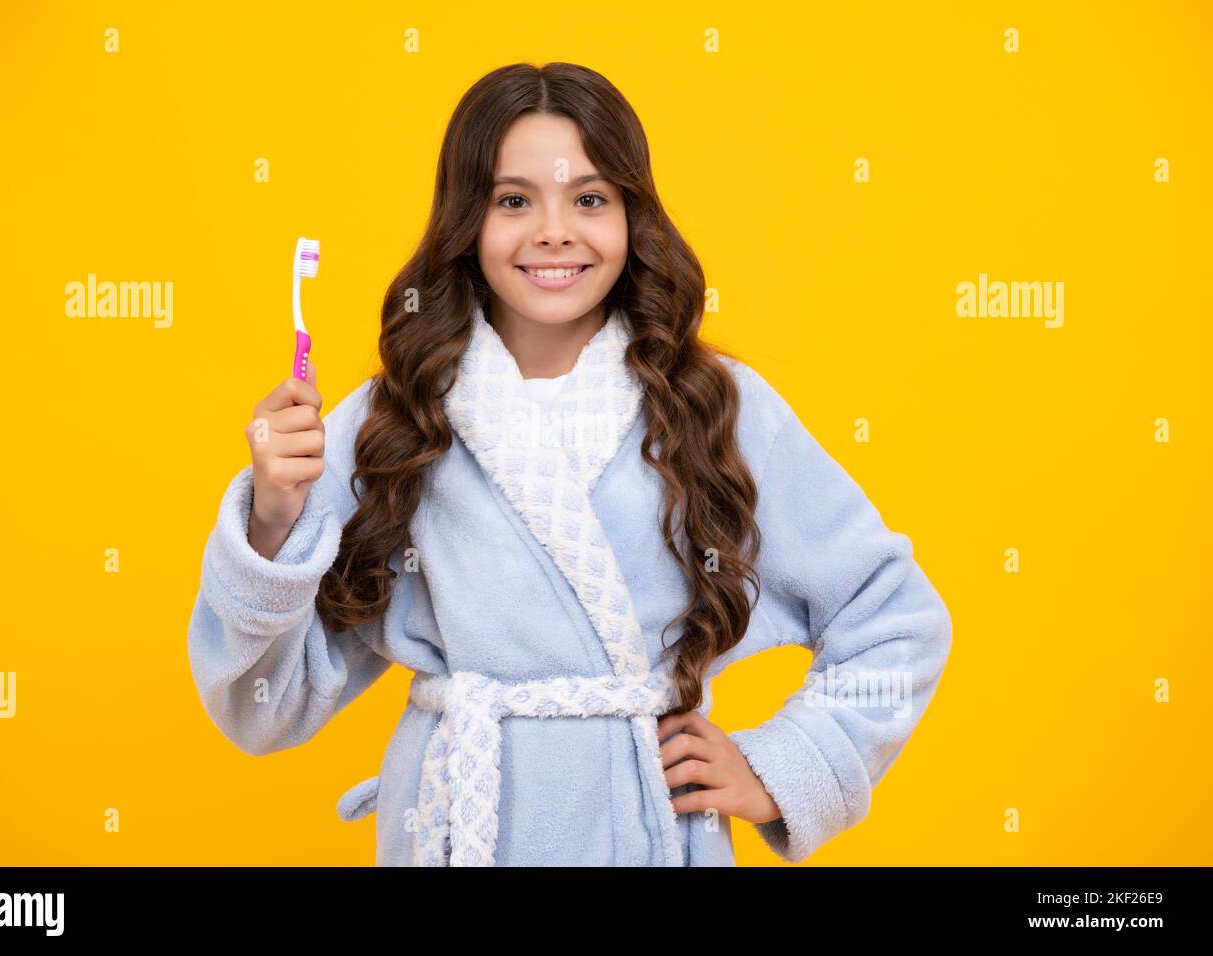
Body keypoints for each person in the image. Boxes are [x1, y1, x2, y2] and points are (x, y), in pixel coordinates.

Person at [186, 61, 952, 866]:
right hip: (457, 827)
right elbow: (258, 710)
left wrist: (784, 768)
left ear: (633, 217)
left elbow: (894, 618)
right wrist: (271, 525)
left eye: (589, 199)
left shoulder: (715, 407)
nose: (554, 231)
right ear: (465, 223)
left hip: (647, 832)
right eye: (513, 201)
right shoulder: (397, 417)